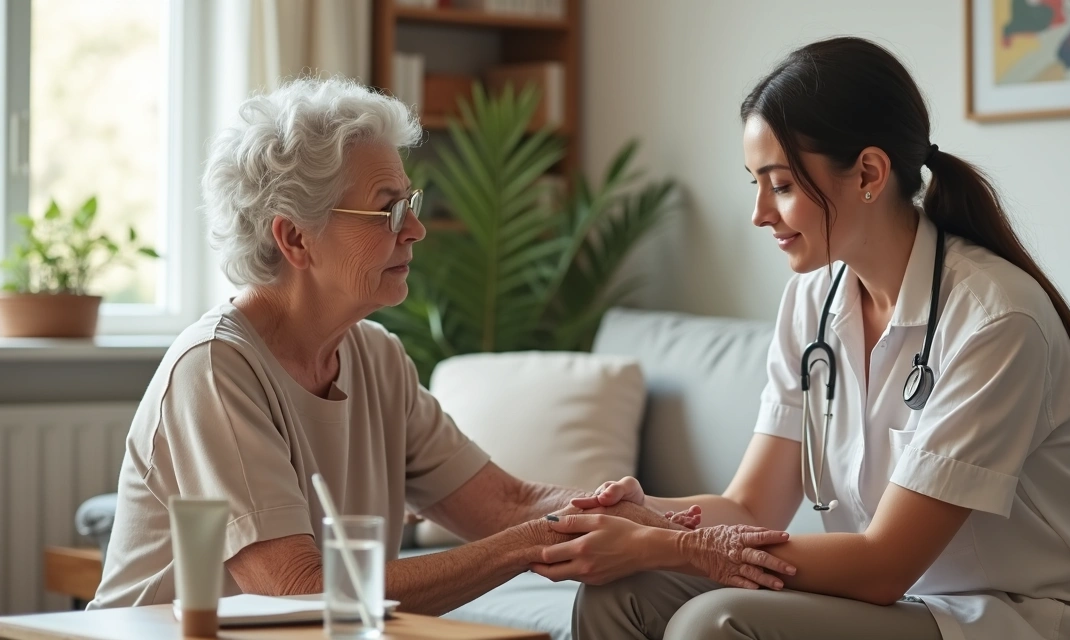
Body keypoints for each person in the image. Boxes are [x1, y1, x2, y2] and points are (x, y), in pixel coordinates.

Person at [86, 76, 793, 613]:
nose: (415, 230)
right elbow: (295, 591)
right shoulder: (216, 367)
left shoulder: (375, 358)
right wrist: (539, 540)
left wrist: (648, 518)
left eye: (411, 205)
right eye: (388, 210)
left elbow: (509, 501)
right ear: (294, 237)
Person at [533, 37, 1070, 640]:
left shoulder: (996, 321)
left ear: (868, 172)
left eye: (778, 184)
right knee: (624, 592)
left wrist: (664, 545)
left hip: (1032, 618)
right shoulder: (813, 299)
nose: (758, 213)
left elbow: (884, 565)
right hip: (915, 606)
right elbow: (752, 509)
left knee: (713, 623)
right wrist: (646, 516)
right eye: (755, 183)